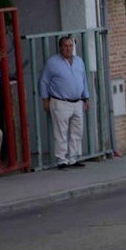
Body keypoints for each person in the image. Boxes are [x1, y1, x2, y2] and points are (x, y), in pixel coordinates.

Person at [39, 35, 90, 169]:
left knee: (77, 131)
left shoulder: (79, 61)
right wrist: (45, 99)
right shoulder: (52, 62)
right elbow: (44, 81)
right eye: (65, 46)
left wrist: (86, 98)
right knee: (61, 132)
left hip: (77, 102)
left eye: (70, 46)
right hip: (60, 101)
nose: (68, 49)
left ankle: (73, 158)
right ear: (60, 47)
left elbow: (84, 80)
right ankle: (62, 159)